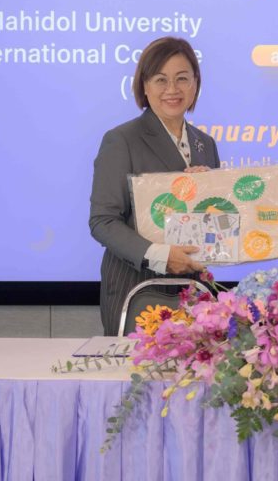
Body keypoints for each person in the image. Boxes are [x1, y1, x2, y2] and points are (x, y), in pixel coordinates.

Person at [89, 36, 220, 336]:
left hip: (192, 292)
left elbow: (212, 221)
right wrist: (160, 255)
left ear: (195, 84)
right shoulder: (121, 140)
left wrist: (210, 195)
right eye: (161, 79)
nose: (172, 89)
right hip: (138, 289)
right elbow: (102, 222)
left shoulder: (205, 144)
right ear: (144, 86)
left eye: (182, 78)